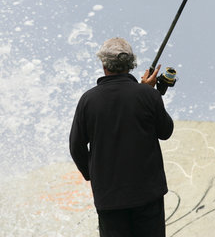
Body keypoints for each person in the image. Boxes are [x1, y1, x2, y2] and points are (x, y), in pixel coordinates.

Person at [69, 37, 174, 237]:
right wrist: (151, 94)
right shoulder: (147, 95)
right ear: (131, 64)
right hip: (148, 194)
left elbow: (76, 147)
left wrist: (93, 174)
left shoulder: (88, 100)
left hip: (109, 198)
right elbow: (165, 131)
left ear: (103, 64)